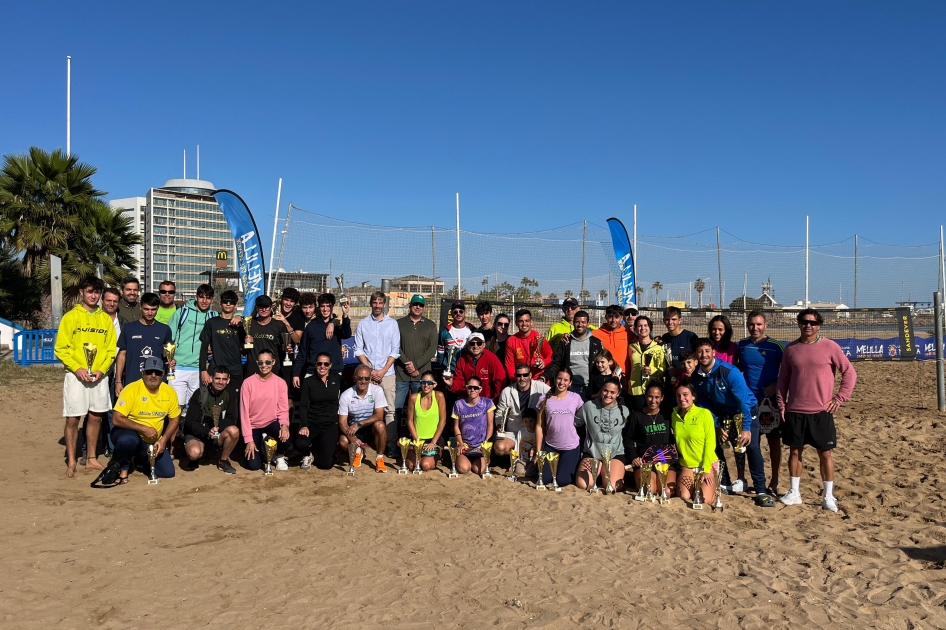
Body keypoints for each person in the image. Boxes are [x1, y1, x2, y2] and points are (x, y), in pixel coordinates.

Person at [776, 308, 857, 512]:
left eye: (812, 322)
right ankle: (794, 493)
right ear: (799, 323)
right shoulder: (791, 349)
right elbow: (783, 380)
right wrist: (782, 404)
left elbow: (849, 373)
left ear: (819, 325)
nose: (808, 325)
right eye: (804, 321)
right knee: (795, 452)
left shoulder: (830, 346)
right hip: (795, 410)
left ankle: (828, 496)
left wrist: (840, 398)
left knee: (826, 454)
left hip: (821, 412)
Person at [691, 338, 773, 508]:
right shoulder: (696, 376)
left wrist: (745, 429)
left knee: (751, 447)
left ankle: (761, 490)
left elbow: (743, 401)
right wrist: (717, 425)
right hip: (722, 414)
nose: (704, 355)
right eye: (700, 351)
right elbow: (704, 404)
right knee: (715, 444)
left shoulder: (729, 371)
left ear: (713, 352)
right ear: (696, 354)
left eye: (707, 351)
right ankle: (725, 483)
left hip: (746, 410)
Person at [55, 276, 117, 477]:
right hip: (76, 376)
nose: (93, 295)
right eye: (90, 291)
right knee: (73, 418)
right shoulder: (71, 317)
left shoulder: (104, 319)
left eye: (96, 292)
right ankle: (72, 461)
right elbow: (60, 349)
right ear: (82, 292)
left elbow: (110, 351)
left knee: (96, 416)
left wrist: (102, 369)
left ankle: (91, 458)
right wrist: (77, 368)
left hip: (98, 377)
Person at [737, 310, 786, 495]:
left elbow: (788, 370)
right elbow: (736, 369)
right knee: (750, 442)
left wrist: (776, 384)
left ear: (765, 325)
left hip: (770, 402)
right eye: (751, 324)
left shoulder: (776, 346)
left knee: (774, 442)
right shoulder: (742, 345)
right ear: (747, 325)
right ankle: (751, 479)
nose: (755, 328)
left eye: (758, 324)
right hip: (749, 402)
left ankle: (774, 481)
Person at [111, 357, 181, 483]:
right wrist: (143, 428)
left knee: (167, 472)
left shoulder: (170, 392)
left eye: (157, 372)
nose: (153, 376)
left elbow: (175, 419)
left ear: (163, 373)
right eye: (149, 372)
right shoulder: (131, 389)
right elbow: (116, 419)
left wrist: (164, 440)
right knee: (127, 440)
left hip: (154, 442)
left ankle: (139, 461)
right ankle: (124, 469)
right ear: (143, 372)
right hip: (132, 434)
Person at [354, 291, 401, 457]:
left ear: (384, 305)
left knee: (389, 410)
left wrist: (382, 371)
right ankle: (361, 444)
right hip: (367, 375)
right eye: (375, 302)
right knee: (365, 408)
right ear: (371, 304)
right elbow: (358, 349)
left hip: (387, 374)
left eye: (380, 303)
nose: (377, 306)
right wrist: (370, 371)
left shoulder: (392, 324)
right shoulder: (363, 324)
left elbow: (395, 351)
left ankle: (391, 445)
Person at [199, 289, 247, 425]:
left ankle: (233, 434)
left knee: (235, 403)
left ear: (235, 305)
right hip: (216, 370)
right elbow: (203, 348)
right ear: (220, 304)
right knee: (211, 404)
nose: (228, 304)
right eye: (225, 302)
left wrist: (241, 320)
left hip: (236, 371)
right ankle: (211, 432)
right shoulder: (212, 322)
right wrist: (203, 370)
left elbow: (245, 349)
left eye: (231, 303)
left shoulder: (241, 324)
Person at [182, 366, 240, 474]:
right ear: (211, 378)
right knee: (194, 453)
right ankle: (197, 457)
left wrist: (218, 427)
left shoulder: (230, 393)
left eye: (224, 379)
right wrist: (206, 431)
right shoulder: (200, 393)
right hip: (198, 433)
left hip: (217, 432)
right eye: (217, 378)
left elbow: (232, 418)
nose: (220, 382)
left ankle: (223, 461)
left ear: (228, 380)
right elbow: (190, 422)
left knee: (234, 431)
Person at [395, 294, 439, 435]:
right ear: (410, 305)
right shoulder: (398, 323)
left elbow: (431, 349)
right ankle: (394, 443)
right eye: (415, 304)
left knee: (420, 411)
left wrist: (416, 366)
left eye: (420, 305)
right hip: (401, 375)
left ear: (424, 307)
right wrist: (408, 364)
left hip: (422, 377)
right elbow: (395, 346)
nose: (417, 307)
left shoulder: (430, 325)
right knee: (396, 409)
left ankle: (417, 441)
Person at [168, 283, 218, 407]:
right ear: (196, 297)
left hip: (199, 370)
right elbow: (169, 339)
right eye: (201, 297)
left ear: (212, 299)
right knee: (176, 407)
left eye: (208, 298)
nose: (204, 301)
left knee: (194, 408)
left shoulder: (214, 316)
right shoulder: (181, 313)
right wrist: (169, 358)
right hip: (178, 367)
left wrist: (238, 317)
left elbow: (228, 319)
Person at [575, 377, 628, 492]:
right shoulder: (589, 406)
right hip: (592, 454)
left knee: (612, 487)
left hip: (614, 454)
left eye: (612, 392)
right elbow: (574, 424)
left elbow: (629, 436)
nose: (608, 394)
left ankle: (606, 471)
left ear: (618, 393)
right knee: (583, 484)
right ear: (601, 390)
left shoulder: (624, 411)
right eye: (605, 390)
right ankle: (598, 472)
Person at [240, 349, 290, 471]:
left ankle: (279, 455)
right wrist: (249, 440)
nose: (264, 366)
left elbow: (283, 408)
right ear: (256, 363)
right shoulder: (247, 383)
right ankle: (263, 443)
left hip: (271, 422)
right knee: (254, 466)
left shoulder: (281, 383)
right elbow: (244, 414)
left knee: (287, 441)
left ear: (273, 362)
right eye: (260, 362)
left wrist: (284, 425)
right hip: (253, 426)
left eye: (268, 362)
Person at [115, 292, 172, 395]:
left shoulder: (165, 329)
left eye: (153, 309)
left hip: (156, 382)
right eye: (146, 309)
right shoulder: (129, 328)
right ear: (140, 307)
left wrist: (170, 360)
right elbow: (122, 355)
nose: (150, 313)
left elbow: (167, 354)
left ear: (158, 308)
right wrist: (118, 381)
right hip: (132, 381)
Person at [535, 368, 584, 487]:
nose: (562, 382)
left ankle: (569, 465)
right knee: (545, 478)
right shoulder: (544, 399)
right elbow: (539, 426)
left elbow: (583, 421)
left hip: (570, 447)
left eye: (566, 380)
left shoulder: (576, 398)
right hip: (551, 446)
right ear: (555, 379)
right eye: (559, 378)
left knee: (563, 481)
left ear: (570, 383)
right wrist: (538, 451)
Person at [672, 380, 717, 505]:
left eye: (685, 394)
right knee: (683, 496)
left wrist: (707, 469)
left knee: (704, 500)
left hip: (705, 464)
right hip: (687, 465)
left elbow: (710, 444)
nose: (682, 398)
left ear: (693, 396)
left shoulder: (704, 414)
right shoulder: (674, 416)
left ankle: (713, 489)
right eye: (678, 395)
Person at [626, 382, 675, 496]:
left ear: (662, 398)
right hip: (645, 461)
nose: (653, 400)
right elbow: (627, 439)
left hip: (664, 460)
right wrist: (633, 457)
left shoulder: (667, 415)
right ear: (645, 396)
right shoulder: (636, 416)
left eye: (657, 397)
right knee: (648, 490)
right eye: (650, 396)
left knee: (666, 491)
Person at [295, 353, 342, 471]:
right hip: (312, 423)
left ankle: (324, 450)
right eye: (319, 363)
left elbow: (347, 396)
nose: (322, 366)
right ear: (315, 365)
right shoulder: (308, 381)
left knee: (325, 465)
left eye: (326, 364)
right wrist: (304, 424)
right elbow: (303, 405)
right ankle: (307, 454)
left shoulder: (338, 379)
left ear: (330, 365)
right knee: (300, 443)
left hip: (330, 425)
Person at [338, 364, 389, 473]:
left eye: (367, 378)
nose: (363, 381)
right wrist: (352, 437)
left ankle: (379, 458)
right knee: (343, 442)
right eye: (360, 378)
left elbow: (379, 415)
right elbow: (342, 422)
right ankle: (358, 450)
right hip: (353, 429)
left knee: (380, 425)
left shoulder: (377, 390)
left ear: (370, 378)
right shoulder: (345, 395)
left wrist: (360, 423)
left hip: (370, 427)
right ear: (354, 378)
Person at [494, 362, 550, 460]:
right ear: (515, 376)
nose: (522, 378)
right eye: (519, 375)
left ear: (530, 375)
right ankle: (518, 458)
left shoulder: (541, 387)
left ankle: (527, 456)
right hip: (514, 431)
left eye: (525, 375)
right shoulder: (507, 391)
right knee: (499, 448)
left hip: (534, 431)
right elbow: (499, 413)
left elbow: (555, 395)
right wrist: (500, 425)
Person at [544, 310, 603, 399]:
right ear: (573, 323)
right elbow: (556, 362)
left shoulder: (596, 342)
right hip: (569, 388)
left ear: (588, 324)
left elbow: (604, 362)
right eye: (577, 322)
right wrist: (544, 377)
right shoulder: (565, 342)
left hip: (590, 388)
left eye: (583, 322)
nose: (580, 325)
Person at [293, 292, 352, 383]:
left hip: (334, 372)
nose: (325, 309)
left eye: (328, 306)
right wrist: (295, 374)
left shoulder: (338, 324)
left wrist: (345, 314)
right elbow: (303, 352)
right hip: (313, 372)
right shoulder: (311, 327)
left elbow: (347, 334)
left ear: (333, 306)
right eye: (322, 306)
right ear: (319, 307)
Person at [444, 332, 507, 401]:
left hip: (486, 400)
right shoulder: (462, 360)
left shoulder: (491, 358)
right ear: (467, 345)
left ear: (484, 345)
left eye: (479, 343)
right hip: (468, 400)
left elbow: (500, 381)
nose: (475, 346)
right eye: (472, 343)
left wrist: (495, 400)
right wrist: (452, 384)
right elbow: (459, 381)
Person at [452, 376, 494, 476]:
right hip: (465, 446)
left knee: (479, 470)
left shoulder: (487, 403)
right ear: (466, 388)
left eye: (475, 388)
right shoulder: (458, 404)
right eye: (470, 387)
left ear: (480, 389)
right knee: (463, 469)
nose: (472, 390)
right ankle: (464, 460)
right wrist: (461, 444)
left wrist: (486, 444)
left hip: (480, 446)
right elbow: (456, 426)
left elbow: (490, 425)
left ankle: (481, 460)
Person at [405, 371, 447, 471]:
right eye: (423, 382)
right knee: (411, 466)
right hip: (418, 439)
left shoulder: (439, 396)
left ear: (435, 384)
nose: (426, 385)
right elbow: (410, 421)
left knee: (425, 465)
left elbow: (443, 421)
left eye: (429, 382)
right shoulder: (414, 398)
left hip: (434, 440)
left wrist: (433, 442)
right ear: (420, 383)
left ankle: (435, 456)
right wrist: (417, 441)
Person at [245, 295, 292, 377]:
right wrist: (246, 344)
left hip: (272, 369)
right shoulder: (249, 324)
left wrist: (286, 348)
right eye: (261, 307)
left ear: (271, 308)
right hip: (253, 369)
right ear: (256, 308)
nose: (264, 310)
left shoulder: (279, 325)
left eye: (266, 307)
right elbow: (242, 349)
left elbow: (283, 347)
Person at [628, 315, 667, 411]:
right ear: (635, 328)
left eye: (645, 325)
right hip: (635, 390)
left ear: (650, 327)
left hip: (652, 391)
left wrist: (652, 371)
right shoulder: (631, 347)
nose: (643, 328)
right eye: (639, 326)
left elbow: (663, 369)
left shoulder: (659, 347)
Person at [505, 308, 552, 380]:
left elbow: (550, 356)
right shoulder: (511, 341)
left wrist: (544, 363)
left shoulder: (539, 338)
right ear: (516, 323)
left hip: (538, 379)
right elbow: (510, 365)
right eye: (521, 321)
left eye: (527, 321)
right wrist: (515, 380)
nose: (524, 324)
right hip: (521, 381)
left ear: (531, 322)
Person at [592, 305, 631, 384]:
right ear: (606, 317)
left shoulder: (628, 334)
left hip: (624, 379)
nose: (613, 320)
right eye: (610, 317)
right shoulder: (595, 334)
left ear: (621, 318)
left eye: (616, 317)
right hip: (602, 379)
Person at [657, 306, 699, 379]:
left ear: (680, 320)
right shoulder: (665, 338)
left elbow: (698, 361)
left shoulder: (691, 337)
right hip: (669, 383)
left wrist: (680, 371)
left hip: (687, 382)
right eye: (667, 319)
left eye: (674, 319)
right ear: (663, 320)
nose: (670, 322)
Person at [437, 300, 475, 375]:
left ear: (465, 313)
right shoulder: (445, 331)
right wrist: (444, 367)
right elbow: (440, 352)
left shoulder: (473, 330)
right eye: (455, 312)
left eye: (461, 311)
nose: (458, 314)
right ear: (451, 314)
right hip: (450, 371)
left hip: (468, 370)